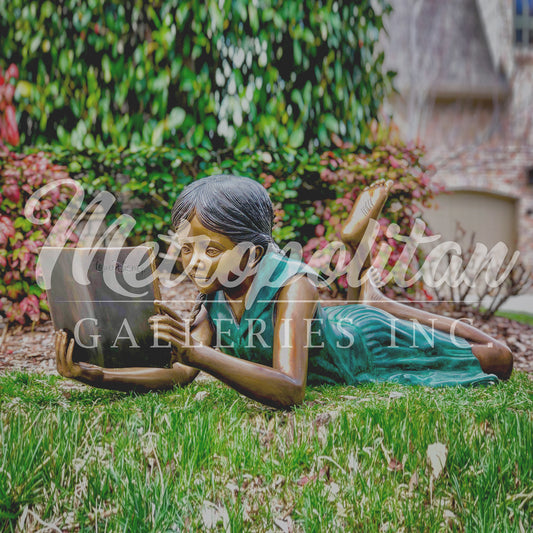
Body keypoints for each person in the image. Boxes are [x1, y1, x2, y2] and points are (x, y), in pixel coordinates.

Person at [55, 175, 513, 409]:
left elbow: (291, 388)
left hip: (363, 346)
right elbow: (181, 372)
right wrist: (100, 376)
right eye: (185, 248)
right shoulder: (215, 293)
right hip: (336, 321)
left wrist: (196, 353)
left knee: (497, 356)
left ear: (252, 256)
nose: (193, 261)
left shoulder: (293, 285)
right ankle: (363, 284)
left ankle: (379, 303)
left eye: (209, 249)